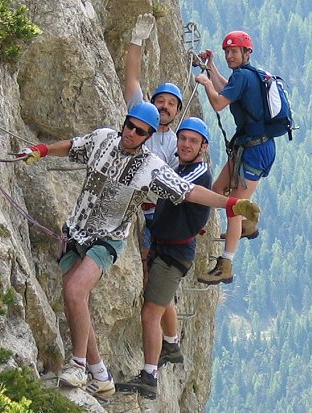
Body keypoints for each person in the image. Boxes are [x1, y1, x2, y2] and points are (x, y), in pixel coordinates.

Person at [17, 102, 260, 397]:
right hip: (76, 230)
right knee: (75, 302)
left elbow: (189, 191)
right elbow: (73, 146)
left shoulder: (151, 167)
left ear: (148, 136)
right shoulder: (104, 139)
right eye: (130, 125)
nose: (131, 133)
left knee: (74, 293)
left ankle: (78, 365)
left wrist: (231, 203)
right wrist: (42, 150)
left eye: (140, 131)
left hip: (108, 238)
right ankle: (100, 375)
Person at [121, 117, 212, 399]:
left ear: (203, 147)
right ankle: (171, 346)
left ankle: (149, 376)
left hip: (173, 254)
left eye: (192, 141)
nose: (185, 144)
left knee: (150, 312)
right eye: (182, 139)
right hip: (168, 248)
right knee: (163, 298)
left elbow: (174, 188)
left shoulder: (197, 173)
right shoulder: (184, 166)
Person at [195, 30, 275, 285]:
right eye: (227, 52)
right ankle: (246, 224)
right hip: (251, 146)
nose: (229, 55)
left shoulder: (242, 76)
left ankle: (226, 264)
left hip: (254, 150)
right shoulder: (245, 76)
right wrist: (212, 69)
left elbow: (219, 102)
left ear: (246, 53)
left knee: (233, 206)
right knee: (218, 189)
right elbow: (227, 91)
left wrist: (207, 83)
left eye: (234, 51)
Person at [125, 13, 183, 282]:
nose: (165, 106)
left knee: (148, 267)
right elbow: (133, 79)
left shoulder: (176, 143)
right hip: (128, 198)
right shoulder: (141, 115)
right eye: (161, 100)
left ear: (177, 112)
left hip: (151, 212)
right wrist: (137, 40)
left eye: (172, 103)